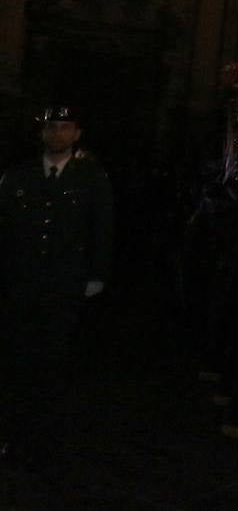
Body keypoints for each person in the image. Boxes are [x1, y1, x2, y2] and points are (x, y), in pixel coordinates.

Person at [0, 105, 114, 469]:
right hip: (21, 283)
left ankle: (45, 439)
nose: (57, 135)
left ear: (76, 134)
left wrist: (96, 274)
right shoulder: (19, 176)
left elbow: (102, 228)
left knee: (53, 363)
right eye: (52, 127)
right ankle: (14, 435)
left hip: (64, 285)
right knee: (17, 361)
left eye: (65, 128)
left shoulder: (91, 178)